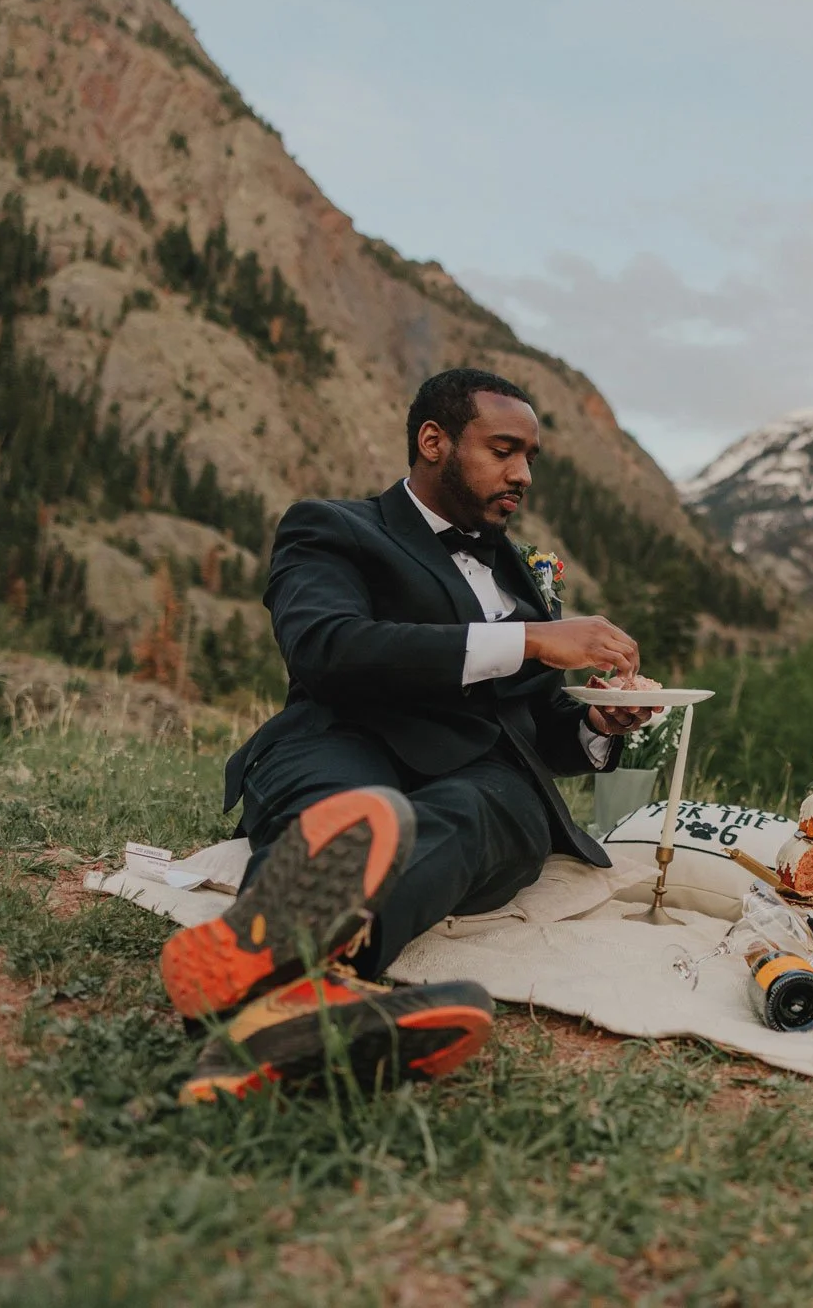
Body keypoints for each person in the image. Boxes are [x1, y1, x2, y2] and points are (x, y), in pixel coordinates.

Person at [161, 368, 660, 1103]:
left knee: (486, 813)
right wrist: (530, 641)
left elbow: (535, 726)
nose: (522, 473)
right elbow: (327, 648)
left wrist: (594, 723)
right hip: (345, 738)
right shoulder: (332, 527)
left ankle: (270, 978)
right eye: (503, 449)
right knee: (352, 814)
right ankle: (303, 998)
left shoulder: (519, 572)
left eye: (530, 457)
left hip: (483, 782)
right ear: (434, 441)